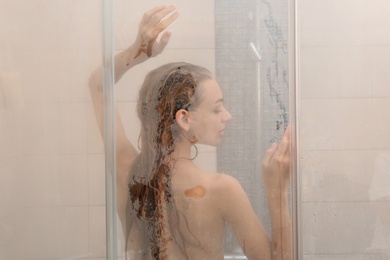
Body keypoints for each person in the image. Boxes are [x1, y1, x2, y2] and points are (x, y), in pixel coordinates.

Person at [89, 5, 292, 260]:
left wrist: (136, 52)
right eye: (217, 108)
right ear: (184, 119)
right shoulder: (222, 189)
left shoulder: (127, 171)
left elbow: (98, 86)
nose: (227, 116)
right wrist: (278, 190)